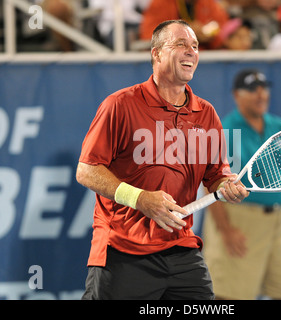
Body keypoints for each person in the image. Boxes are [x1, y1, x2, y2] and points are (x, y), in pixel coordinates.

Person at [76, 19, 249, 300]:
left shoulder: (206, 114)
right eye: (181, 44)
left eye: (195, 46)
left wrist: (226, 185)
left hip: (181, 249)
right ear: (156, 54)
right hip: (123, 250)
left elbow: (216, 175)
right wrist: (140, 198)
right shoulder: (120, 105)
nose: (191, 52)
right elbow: (87, 170)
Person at [203, 69, 281, 300]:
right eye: (252, 89)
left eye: (263, 88)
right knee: (229, 297)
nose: (260, 95)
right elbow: (210, 186)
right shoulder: (225, 131)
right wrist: (226, 230)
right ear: (236, 95)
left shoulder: (280, 127)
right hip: (241, 221)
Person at [139, 0, 229, 50]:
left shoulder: (208, 4)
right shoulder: (161, 3)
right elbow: (148, 35)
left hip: (204, 60)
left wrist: (211, 36)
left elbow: (225, 32)